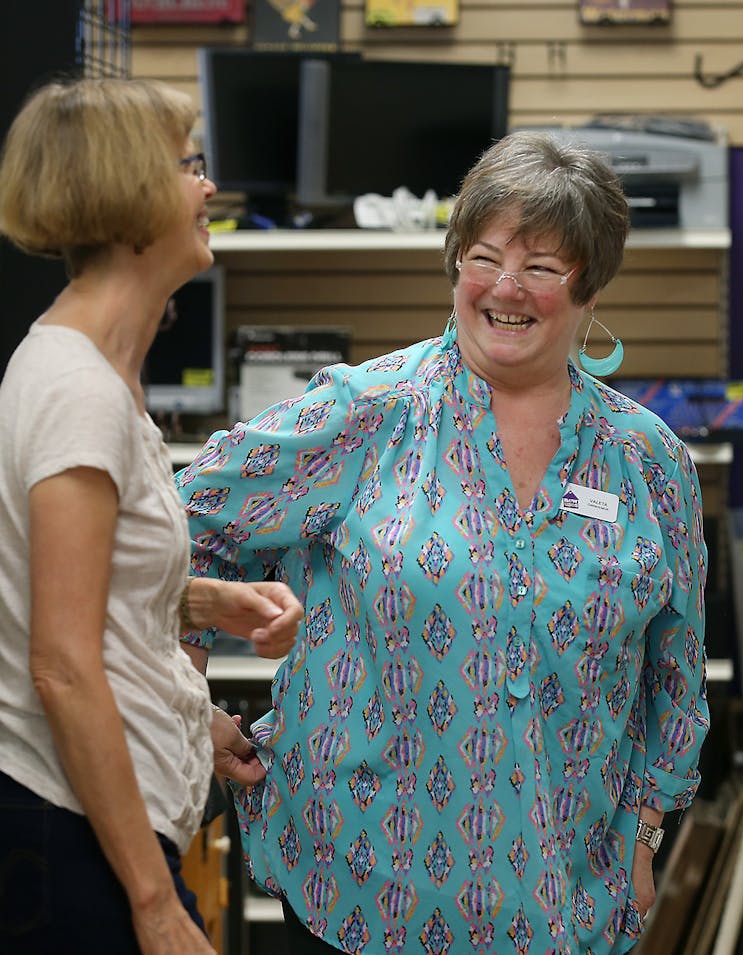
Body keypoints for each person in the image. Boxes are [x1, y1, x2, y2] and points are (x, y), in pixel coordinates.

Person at [176, 130, 710, 954]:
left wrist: (644, 837)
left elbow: (676, 676)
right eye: (483, 256)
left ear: (591, 283)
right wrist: (185, 698)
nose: (505, 287)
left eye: (541, 266)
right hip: (360, 888)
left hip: (566, 897)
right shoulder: (365, 412)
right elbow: (182, 527)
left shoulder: (649, 459)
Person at [0, 77, 303, 955]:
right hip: (67, 831)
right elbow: (63, 665)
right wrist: (154, 903)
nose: (209, 188)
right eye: (191, 166)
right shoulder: (81, 396)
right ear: (129, 197)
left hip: (84, 823)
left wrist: (205, 632)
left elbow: (95, 602)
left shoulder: (96, 375)